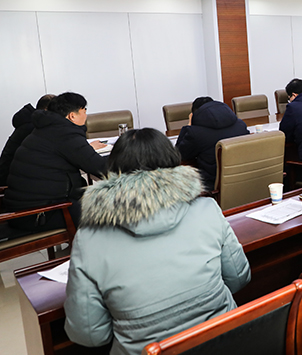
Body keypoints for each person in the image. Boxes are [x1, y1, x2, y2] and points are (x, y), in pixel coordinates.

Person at [64, 128, 250, 355]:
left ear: (113, 170)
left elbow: (89, 334)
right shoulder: (207, 209)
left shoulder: (89, 237)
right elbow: (238, 278)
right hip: (226, 342)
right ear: (172, 160)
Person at [4, 92, 107, 231]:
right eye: (84, 111)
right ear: (72, 116)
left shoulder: (45, 129)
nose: (86, 115)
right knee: (108, 209)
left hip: (22, 211)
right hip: (38, 215)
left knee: (92, 197)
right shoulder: (66, 134)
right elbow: (99, 167)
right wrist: (128, 160)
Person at [176, 96, 248, 191]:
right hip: (244, 180)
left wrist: (189, 125)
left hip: (212, 184)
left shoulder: (195, 133)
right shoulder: (240, 125)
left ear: (195, 114)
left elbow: (179, 155)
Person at [0, 94, 54, 185]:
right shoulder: (33, 128)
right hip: (12, 181)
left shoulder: (29, 124)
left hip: (10, 177)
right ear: (46, 110)